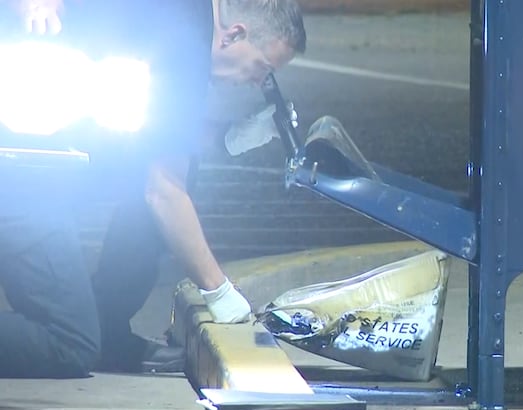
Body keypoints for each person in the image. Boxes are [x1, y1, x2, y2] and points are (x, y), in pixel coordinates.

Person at [0, 0, 306, 377]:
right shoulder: (185, 42)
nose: (257, 82)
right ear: (235, 34)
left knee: (174, 171)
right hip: (20, 175)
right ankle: (91, 332)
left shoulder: (179, 19)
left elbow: (157, 138)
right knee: (70, 342)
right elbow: (163, 191)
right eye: (262, 67)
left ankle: (106, 327)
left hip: (40, 163)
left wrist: (230, 138)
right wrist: (220, 292)